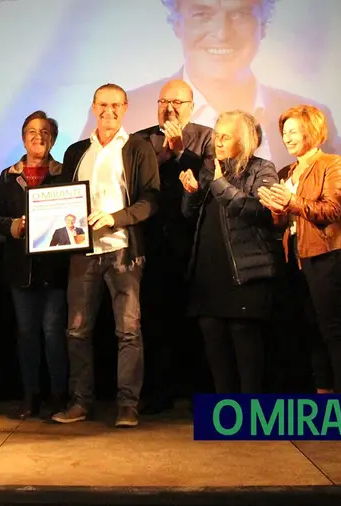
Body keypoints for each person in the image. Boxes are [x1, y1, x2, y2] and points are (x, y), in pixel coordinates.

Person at [81, 0, 341, 168]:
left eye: (240, 14)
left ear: (263, 25)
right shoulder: (124, 111)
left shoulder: (310, 113)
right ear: (177, 24)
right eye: (201, 14)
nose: (222, 33)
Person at [52, 84, 160, 428]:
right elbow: (61, 199)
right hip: (83, 254)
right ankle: (80, 402)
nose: (108, 111)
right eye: (102, 104)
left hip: (123, 252)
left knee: (128, 331)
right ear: (93, 106)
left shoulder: (139, 148)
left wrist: (115, 217)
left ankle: (128, 405)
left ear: (126, 107)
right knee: (76, 331)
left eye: (115, 105)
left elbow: (151, 200)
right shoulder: (76, 152)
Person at [180, 110, 280, 394]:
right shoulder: (209, 168)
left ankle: (251, 412)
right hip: (209, 271)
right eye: (216, 136)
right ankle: (226, 410)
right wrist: (191, 193)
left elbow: (260, 211)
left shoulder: (262, 168)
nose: (218, 143)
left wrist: (221, 185)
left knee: (244, 339)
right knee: (213, 340)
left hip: (244, 272)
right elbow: (190, 215)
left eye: (225, 137)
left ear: (244, 140)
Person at [258, 105, 341, 393]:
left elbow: (332, 210)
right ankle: (323, 391)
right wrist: (276, 210)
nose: (287, 138)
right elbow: (283, 221)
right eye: (284, 133)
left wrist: (292, 202)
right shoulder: (287, 171)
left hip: (327, 254)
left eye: (293, 131)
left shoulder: (332, 164)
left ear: (311, 131)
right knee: (309, 327)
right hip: (297, 257)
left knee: (332, 330)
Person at [134, 79, 215, 413]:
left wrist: (180, 152)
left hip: (195, 242)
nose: (170, 108)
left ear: (191, 106)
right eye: (163, 101)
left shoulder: (208, 136)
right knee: (155, 320)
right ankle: (159, 392)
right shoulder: (140, 139)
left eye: (178, 102)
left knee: (197, 321)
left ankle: (200, 393)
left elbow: (208, 181)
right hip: (151, 242)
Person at [0, 110, 70, 419]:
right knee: (26, 333)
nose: (39, 136)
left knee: (53, 331)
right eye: (32, 132)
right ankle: (30, 395)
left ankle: (59, 395)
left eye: (46, 132)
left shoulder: (64, 173)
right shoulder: (8, 175)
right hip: (20, 268)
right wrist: (12, 226)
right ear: (23, 138)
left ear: (53, 138)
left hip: (54, 268)